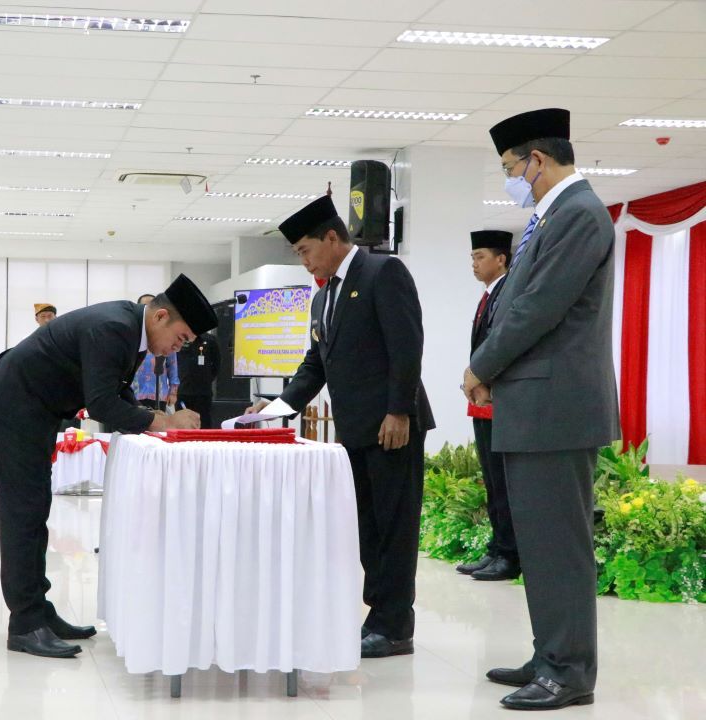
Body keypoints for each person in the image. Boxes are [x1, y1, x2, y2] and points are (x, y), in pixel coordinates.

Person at [463, 108, 619, 711]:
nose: (513, 178)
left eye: (512, 167)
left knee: (560, 544)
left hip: (556, 407)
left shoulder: (578, 214)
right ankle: (550, 653)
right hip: (534, 404)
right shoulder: (549, 217)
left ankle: (570, 671)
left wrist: (481, 366)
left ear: (539, 158)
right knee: (540, 541)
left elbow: (537, 309)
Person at [0, 274, 214, 659]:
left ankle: (39, 610)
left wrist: (152, 416)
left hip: (33, 407)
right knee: (23, 511)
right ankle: (24, 624)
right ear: (160, 318)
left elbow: (117, 390)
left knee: (37, 509)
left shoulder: (130, 329)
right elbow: (102, 404)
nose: (175, 350)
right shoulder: (114, 328)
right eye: (181, 338)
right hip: (14, 405)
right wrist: (165, 422)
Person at [248, 195, 434, 659]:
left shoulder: (381, 273)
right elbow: (316, 364)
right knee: (367, 527)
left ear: (333, 238)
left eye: (306, 250)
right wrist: (276, 408)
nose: (304, 259)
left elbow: (407, 346)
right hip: (355, 432)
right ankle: (378, 616)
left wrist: (399, 411)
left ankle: (395, 626)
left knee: (394, 527)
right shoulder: (324, 294)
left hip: (393, 427)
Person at [455, 230, 519, 583]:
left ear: (501, 259)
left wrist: (484, 381)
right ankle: (497, 547)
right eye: (472, 257)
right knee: (492, 480)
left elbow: (504, 345)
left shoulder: (509, 294)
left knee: (503, 481)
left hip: (501, 401)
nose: (474, 263)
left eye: (480, 256)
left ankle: (509, 554)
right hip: (483, 401)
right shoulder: (488, 296)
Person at [132, 293, 179, 410]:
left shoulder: (167, 336)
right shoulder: (132, 333)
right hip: (134, 393)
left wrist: (173, 392)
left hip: (159, 393)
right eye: (144, 306)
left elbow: (172, 365)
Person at [176, 332, 220, 428]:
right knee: (182, 424)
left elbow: (216, 365)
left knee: (204, 423)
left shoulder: (209, 340)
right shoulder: (181, 337)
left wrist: (206, 379)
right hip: (183, 390)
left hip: (203, 393)